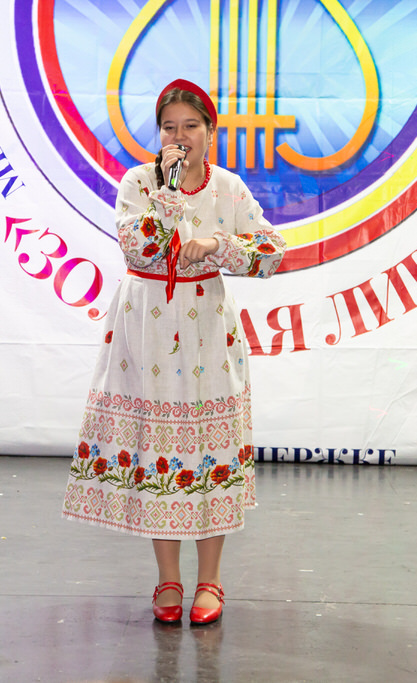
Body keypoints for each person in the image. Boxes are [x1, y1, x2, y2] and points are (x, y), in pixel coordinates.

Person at [62, 78, 286, 625]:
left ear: (210, 131)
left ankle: (210, 580)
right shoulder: (139, 181)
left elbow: (271, 253)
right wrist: (167, 194)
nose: (179, 137)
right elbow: (138, 247)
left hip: (206, 325)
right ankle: (167, 579)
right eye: (169, 128)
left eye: (190, 126)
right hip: (148, 328)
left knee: (207, 449)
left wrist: (216, 245)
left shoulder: (228, 188)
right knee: (159, 450)